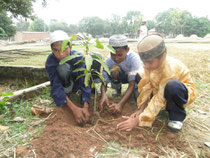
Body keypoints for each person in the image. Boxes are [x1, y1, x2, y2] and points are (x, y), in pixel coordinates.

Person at [116, 34, 197, 132]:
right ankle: (153, 109)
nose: (146, 66)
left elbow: (160, 97)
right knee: (140, 75)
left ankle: (176, 116)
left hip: (179, 92)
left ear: (162, 56)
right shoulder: (149, 66)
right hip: (159, 89)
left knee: (172, 86)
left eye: (149, 62)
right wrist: (141, 109)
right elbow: (147, 87)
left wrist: (139, 120)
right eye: (144, 62)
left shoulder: (171, 69)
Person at [46, 30, 94, 124]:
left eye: (65, 49)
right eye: (56, 50)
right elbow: (56, 86)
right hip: (65, 86)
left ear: (71, 47)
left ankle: (87, 93)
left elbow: (84, 80)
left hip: (76, 84)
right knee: (63, 67)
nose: (61, 54)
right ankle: (67, 95)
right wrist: (74, 108)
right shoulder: (51, 61)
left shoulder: (78, 57)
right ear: (52, 50)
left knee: (92, 60)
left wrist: (85, 105)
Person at [99, 35, 143, 114]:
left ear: (127, 50)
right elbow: (104, 82)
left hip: (133, 78)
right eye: (113, 54)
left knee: (138, 97)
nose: (116, 58)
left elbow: (132, 83)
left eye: (120, 55)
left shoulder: (134, 59)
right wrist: (103, 95)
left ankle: (136, 90)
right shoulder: (108, 61)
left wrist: (120, 104)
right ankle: (117, 89)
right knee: (112, 71)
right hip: (119, 77)